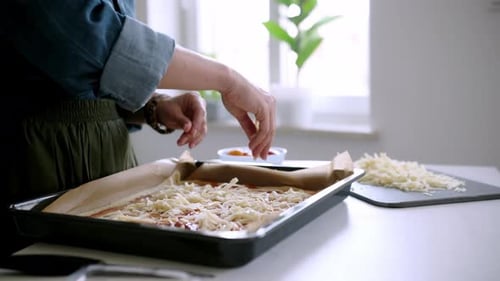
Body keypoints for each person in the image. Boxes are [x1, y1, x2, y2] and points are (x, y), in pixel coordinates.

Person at [0, 0, 276, 256]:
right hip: (32, 168)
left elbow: (93, 84)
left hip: (111, 177)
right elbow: (97, 44)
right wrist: (228, 79)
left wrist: (154, 106)